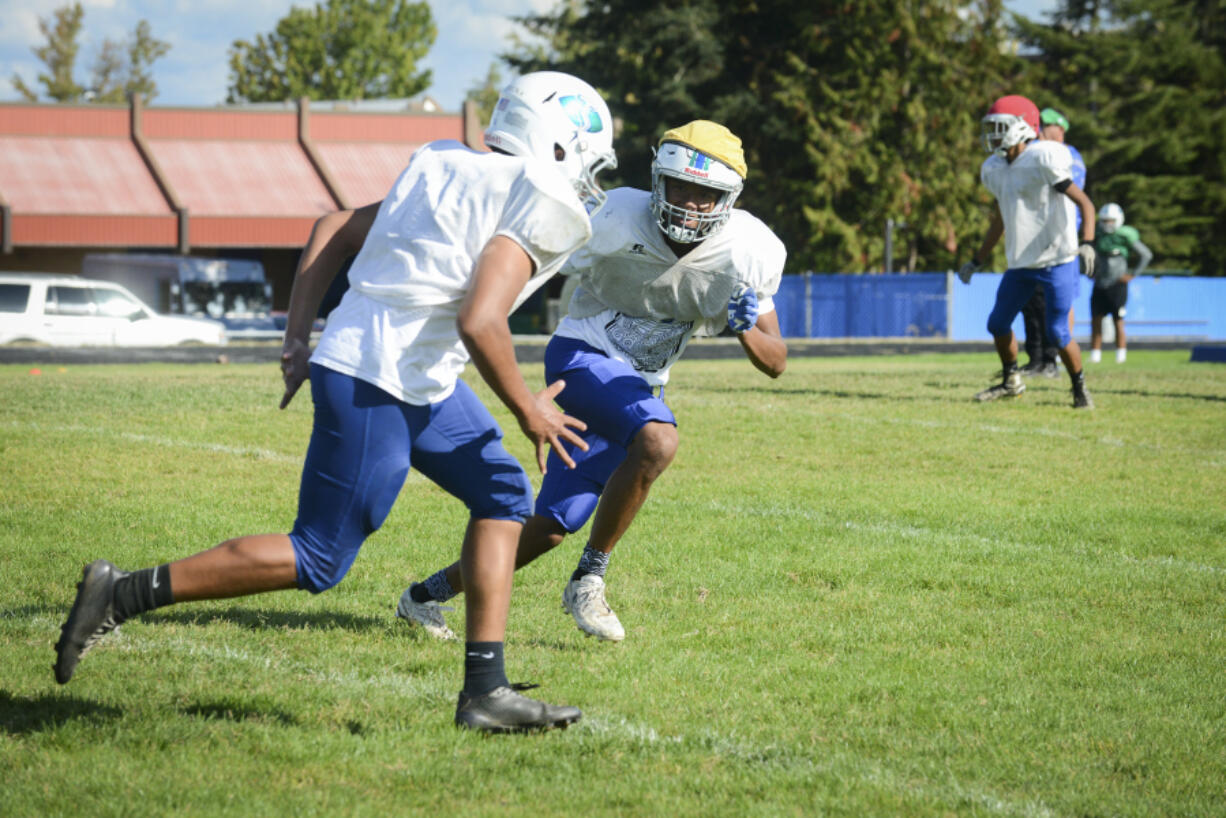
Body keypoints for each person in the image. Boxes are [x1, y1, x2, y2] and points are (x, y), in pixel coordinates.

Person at [52, 71, 618, 734]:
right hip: (379, 375)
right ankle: (119, 592)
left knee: (502, 493)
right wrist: (528, 405)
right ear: (560, 142)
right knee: (319, 556)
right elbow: (481, 318)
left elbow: (334, 228)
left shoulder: (443, 160)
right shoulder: (532, 192)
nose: (588, 177)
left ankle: (485, 692)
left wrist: (297, 338)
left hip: (406, 370)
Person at [395, 120, 787, 643]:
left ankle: (423, 597)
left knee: (554, 524)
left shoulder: (749, 249)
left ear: (728, 198)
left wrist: (743, 329)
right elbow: (526, 267)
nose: (691, 203)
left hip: (642, 388)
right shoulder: (614, 215)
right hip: (581, 359)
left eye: (705, 193)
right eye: (681, 188)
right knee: (658, 439)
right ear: (657, 180)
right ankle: (590, 578)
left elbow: (776, 359)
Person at [958, 94, 1097, 410]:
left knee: (1057, 331)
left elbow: (1085, 203)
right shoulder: (994, 167)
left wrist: (1087, 243)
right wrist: (977, 259)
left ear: (1021, 127)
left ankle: (1079, 389)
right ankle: (1011, 381)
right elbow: (1000, 218)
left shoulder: (1044, 158)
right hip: (1022, 261)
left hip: (1057, 258)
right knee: (997, 323)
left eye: (999, 126)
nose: (992, 134)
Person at [1018, 107, 1088, 378]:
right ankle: (1037, 359)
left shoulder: (1070, 156)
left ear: (1061, 128)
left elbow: (1062, 192)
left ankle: (1053, 359)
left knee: (1059, 301)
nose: (1038, 131)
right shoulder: (1034, 152)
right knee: (1030, 299)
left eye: (1044, 125)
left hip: (1060, 237)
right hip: (1032, 233)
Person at [1090, 202, 1153, 363]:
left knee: (1118, 320)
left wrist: (1133, 274)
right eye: (1105, 221)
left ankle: (1121, 355)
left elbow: (1146, 255)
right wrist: (1089, 271)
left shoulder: (1125, 235)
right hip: (1100, 283)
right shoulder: (1098, 235)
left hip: (1118, 284)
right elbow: (1087, 253)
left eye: (1111, 220)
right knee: (1096, 320)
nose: (1108, 224)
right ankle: (1095, 355)